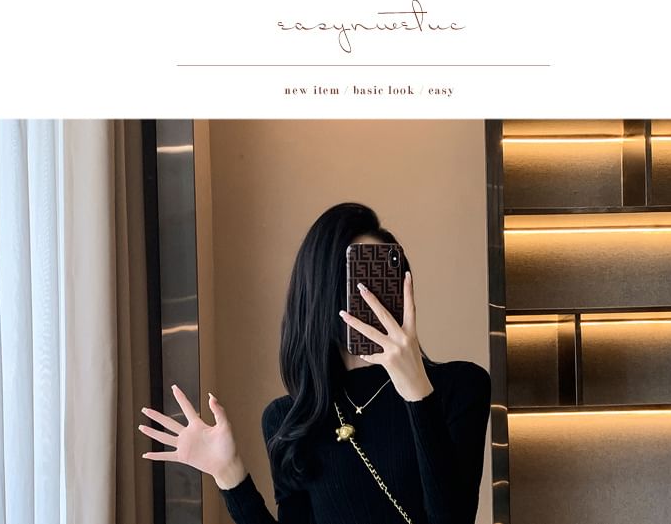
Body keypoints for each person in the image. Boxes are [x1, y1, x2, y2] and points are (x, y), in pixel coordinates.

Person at [138, 202, 492, 524]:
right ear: (322, 290)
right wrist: (229, 474)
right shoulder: (290, 419)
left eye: (382, 278)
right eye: (358, 281)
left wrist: (417, 394)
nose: (371, 296)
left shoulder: (460, 386)